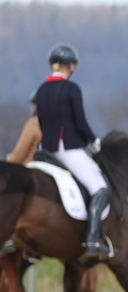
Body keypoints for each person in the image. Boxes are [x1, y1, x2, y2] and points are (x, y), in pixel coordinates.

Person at [33, 43, 111, 260]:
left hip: (44, 150)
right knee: (100, 188)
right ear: (71, 66)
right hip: (66, 147)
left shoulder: (41, 90)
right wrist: (93, 141)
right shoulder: (71, 89)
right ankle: (93, 239)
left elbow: (41, 122)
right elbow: (80, 121)